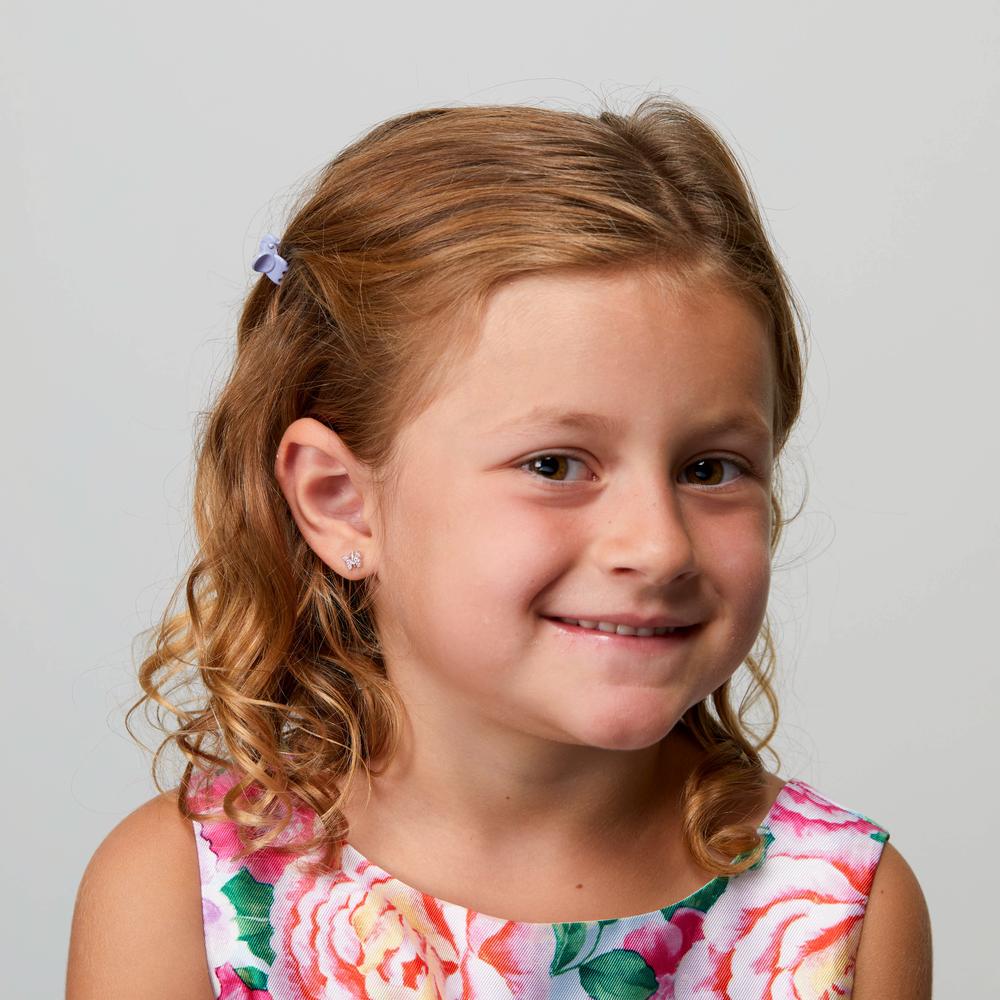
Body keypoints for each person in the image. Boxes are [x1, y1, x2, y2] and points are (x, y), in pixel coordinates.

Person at [66, 96, 932, 999]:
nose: (658, 545)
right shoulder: (179, 896)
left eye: (710, 469)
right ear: (341, 504)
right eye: (555, 464)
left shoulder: (839, 910)